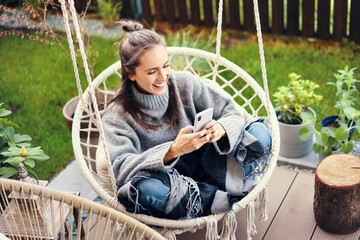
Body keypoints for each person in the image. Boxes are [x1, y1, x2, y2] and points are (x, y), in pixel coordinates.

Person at [102, 20, 271, 220]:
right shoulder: (117, 116)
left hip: (212, 162)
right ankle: (224, 191)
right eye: (151, 71)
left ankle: (221, 189)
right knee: (145, 190)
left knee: (260, 133)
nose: (163, 76)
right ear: (130, 73)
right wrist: (173, 151)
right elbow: (120, 169)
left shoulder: (184, 83)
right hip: (172, 184)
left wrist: (221, 128)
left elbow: (232, 111)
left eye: (165, 66)